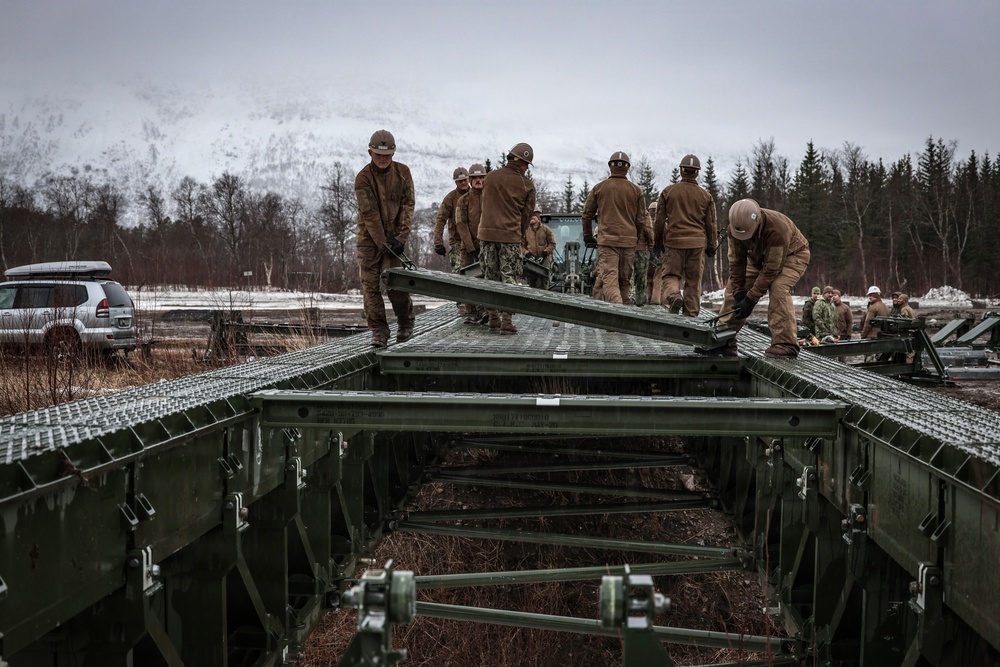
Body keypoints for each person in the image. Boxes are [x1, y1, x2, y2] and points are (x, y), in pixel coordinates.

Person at [717, 198, 810, 358]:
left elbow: (771, 269)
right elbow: (736, 262)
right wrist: (740, 293)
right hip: (758, 257)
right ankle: (723, 341)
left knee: (778, 288)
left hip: (792, 256)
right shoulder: (735, 229)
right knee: (732, 290)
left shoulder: (777, 230)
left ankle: (786, 344)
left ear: (757, 223)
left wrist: (751, 299)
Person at [354, 129, 415, 348]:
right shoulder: (363, 178)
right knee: (370, 288)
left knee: (395, 285)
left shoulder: (403, 173)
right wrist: (383, 243)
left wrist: (401, 237)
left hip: (395, 240)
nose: (383, 159)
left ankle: (405, 322)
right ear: (370, 152)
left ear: (393, 153)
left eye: (387, 155)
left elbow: (408, 205)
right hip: (369, 240)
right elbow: (369, 214)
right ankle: (379, 330)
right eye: (379, 155)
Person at [478, 143, 536, 334]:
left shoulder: (490, 177)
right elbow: (526, 215)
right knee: (508, 278)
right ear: (523, 164)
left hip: (486, 234)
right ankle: (506, 321)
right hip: (509, 237)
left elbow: (484, 204)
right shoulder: (526, 185)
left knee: (489, 276)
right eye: (527, 165)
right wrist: (517, 234)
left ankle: (492, 317)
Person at [581, 151, 650, 304]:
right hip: (629, 242)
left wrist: (587, 236)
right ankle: (624, 317)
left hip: (607, 242)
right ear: (627, 168)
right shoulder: (636, 190)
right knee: (624, 280)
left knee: (610, 280)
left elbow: (586, 214)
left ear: (610, 167)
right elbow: (641, 219)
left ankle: (617, 310)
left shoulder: (599, 188)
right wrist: (635, 237)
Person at [653, 154, 718, 315]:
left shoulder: (668, 192)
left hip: (674, 243)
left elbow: (659, 220)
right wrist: (711, 246)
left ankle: (674, 296)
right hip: (696, 245)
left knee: (670, 275)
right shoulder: (706, 196)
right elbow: (711, 224)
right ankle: (691, 315)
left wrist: (657, 242)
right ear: (697, 172)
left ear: (681, 170)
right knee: (694, 282)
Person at [456, 163, 487, 323]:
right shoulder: (463, 200)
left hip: (488, 246)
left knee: (487, 279)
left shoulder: (491, 198)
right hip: (468, 248)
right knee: (467, 280)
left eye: (481, 177)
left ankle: (486, 310)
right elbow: (461, 224)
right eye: (475, 178)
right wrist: (470, 246)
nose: (478, 180)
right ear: (470, 180)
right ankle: (470, 312)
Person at [433, 166, 471, 276]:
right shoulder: (450, 198)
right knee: (459, 271)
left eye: (465, 180)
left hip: (475, 241)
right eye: (460, 181)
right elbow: (440, 220)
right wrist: (438, 242)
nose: (463, 183)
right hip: (457, 242)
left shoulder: (475, 194)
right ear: (456, 182)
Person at [522, 205, 556, 289]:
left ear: (538, 217)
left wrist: (544, 254)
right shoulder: (525, 231)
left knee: (543, 277)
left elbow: (552, 244)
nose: (531, 217)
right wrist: (527, 254)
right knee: (531, 279)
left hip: (544, 258)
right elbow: (521, 245)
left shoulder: (546, 230)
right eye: (530, 215)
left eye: (533, 215)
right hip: (531, 258)